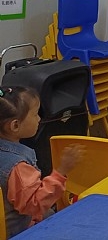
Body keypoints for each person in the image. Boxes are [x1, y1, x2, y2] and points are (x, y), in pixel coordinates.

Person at [0, 86, 84, 237]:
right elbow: (35, 204)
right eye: (35, 114)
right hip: (20, 232)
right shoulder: (18, 167)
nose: (39, 119)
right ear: (15, 125)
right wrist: (61, 171)